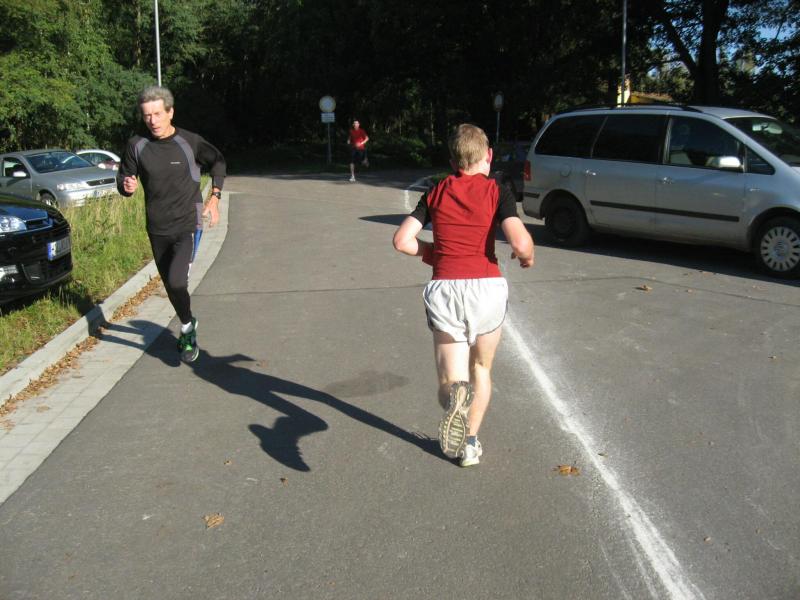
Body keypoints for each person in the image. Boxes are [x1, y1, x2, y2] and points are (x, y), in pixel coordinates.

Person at [392, 124, 534, 467]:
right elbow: (519, 242)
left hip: (446, 288)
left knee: (450, 380)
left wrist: (433, 254)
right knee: (481, 367)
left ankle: (454, 400)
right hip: (486, 288)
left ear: (453, 161)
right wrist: (527, 257)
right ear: (488, 155)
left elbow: (402, 241)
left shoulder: (436, 191)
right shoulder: (497, 190)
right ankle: (469, 442)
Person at [116, 85, 226, 363]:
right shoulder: (137, 145)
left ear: (170, 112)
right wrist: (126, 185)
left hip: (188, 223)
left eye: (157, 114)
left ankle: (187, 330)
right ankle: (188, 322)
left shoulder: (189, 142)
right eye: (146, 115)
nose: (152, 120)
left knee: (177, 282)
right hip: (157, 227)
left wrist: (214, 198)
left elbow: (218, 162)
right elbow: (124, 177)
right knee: (170, 285)